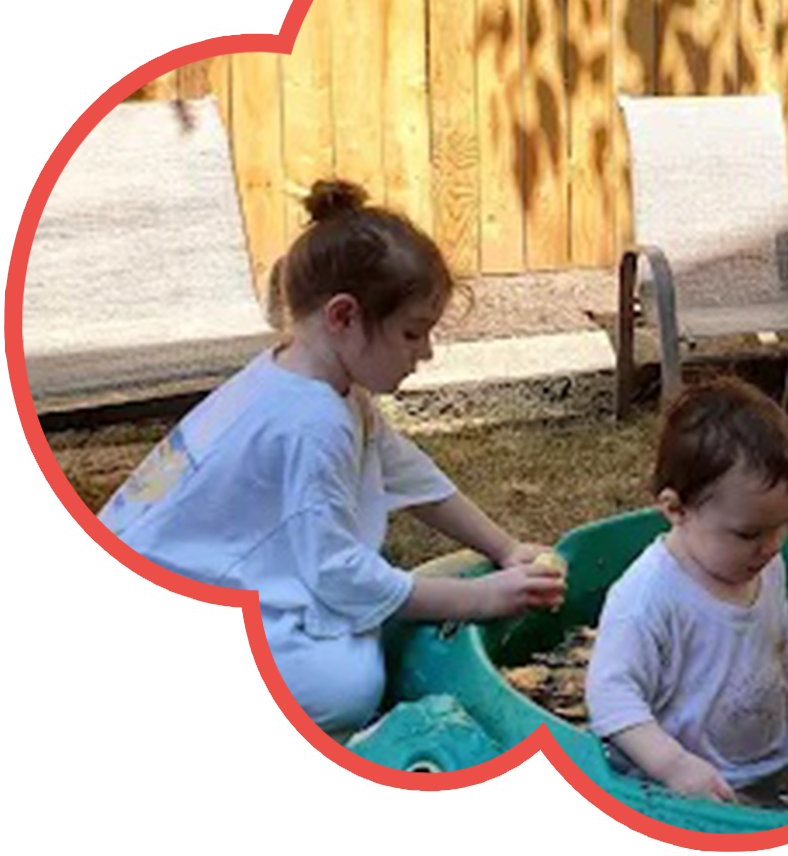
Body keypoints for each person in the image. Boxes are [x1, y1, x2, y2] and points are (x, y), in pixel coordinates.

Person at [56, 180, 566, 771]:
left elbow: (407, 472)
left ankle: (170, 692)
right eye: (412, 332)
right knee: (345, 687)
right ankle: (145, 702)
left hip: (130, 600)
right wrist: (479, 599)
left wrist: (504, 548)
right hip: (130, 630)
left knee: (354, 633)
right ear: (344, 316)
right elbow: (339, 578)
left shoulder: (308, 377)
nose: (424, 352)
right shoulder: (308, 421)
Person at [584, 379, 788, 801]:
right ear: (676, 509)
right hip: (694, 775)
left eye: (782, 525)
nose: (771, 546)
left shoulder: (763, 563)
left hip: (774, 748)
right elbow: (609, 698)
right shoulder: (648, 598)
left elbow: (782, 634)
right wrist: (675, 767)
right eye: (750, 533)